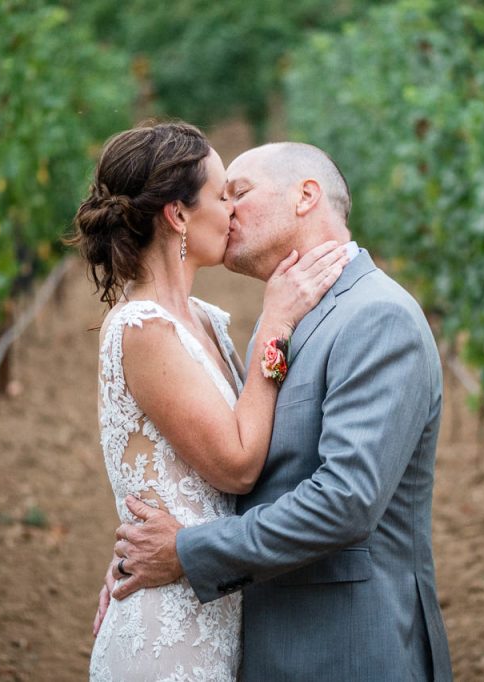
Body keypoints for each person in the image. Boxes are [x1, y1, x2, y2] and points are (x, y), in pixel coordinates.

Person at [100, 141, 455, 681]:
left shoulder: (377, 317)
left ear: (305, 197)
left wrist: (185, 551)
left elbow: (345, 501)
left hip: (346, 652)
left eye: (238, 192)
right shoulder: (286, 319)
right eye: (220, 196)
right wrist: (138, 553)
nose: (227, 211)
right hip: (267, 642)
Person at [69, 122, 348, 681]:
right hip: (167, 633)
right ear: (178, 215)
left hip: (209, 600)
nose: (233, 211)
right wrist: (276, 324)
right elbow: (238, 465)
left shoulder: (205, 320)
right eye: (222, 196)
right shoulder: (143, 329)